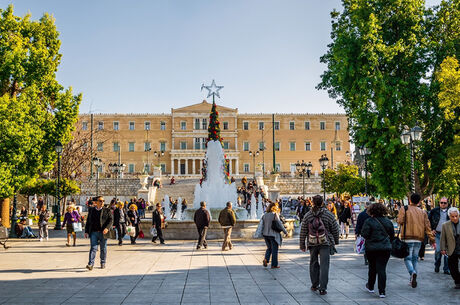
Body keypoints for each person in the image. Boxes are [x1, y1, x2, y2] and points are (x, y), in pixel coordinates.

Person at [299, 195, 340, 295]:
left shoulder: (308, 215)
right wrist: (336, 240)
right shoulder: (328, 214)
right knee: (324, 265)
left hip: (312, 242)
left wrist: (302, 244)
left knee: (313, 263)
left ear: (312, 203)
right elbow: (335, 228)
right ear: (322, 203)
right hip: (325, 242)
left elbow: (303, 230)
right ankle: (323, 287)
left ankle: (314, 284)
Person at [397, 193, 435, 288]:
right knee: (415, 259)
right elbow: (427, 227)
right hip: (419, 238)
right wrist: (432, 239)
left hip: (407, 237)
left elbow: (400, 221)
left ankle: (412, 273)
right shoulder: (423, 212)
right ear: (419, 202)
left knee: (407, 258)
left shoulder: (404, 209)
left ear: (410, 200)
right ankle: (413, 278)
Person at [361, 202, 395, 298]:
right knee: (382, 268)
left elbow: (364, 234)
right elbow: (392, 235)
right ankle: (382, 291)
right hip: (385, 248)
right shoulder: (388, 222)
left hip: (371, 248)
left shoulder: (368, 221)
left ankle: (371, 286)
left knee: (372, 267)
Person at [84, 196, 113, 270]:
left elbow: (111, 220)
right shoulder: (91, 210)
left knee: (103, 248)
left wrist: (107, 228)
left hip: (103, 232)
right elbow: (88, 221)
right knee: (93, 248)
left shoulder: (107, 210)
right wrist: (86, 231)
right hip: (94, 232)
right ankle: (90, 264)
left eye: (103, 201)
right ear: (96, 202)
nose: (102, 202)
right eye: (100, 201)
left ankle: (103, 262)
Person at [261, 201, 287, 268]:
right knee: (274, 250)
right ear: (274, 207)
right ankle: (274, 264)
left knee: (269, 248)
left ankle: (266, 259)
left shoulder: (264, 215)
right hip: (273, 235)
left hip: (265, 234)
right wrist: (285, 231)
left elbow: (262, 225)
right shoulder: (274, 214)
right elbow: (280, 224)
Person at [429, 197, 450, 274]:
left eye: (445, 203)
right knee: (438, 250)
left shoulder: (451, 211)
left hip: (448, 234)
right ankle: (437, 265)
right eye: (441, 203)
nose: (443, 204)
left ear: (447, 203)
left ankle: (446, 269)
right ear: (439, 203)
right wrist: (431, 229)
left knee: (447, 251)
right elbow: (428, 221)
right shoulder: (434, 211)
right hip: (437, 233)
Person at [440, 207, 460, 289]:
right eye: (453, 216)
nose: (455, 218)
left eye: (456, 216)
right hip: (452, 249)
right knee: (452, 268)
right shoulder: (445, 225)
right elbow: (443, 238)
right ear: (449, 216)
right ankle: (458, 282)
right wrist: (443, 249)